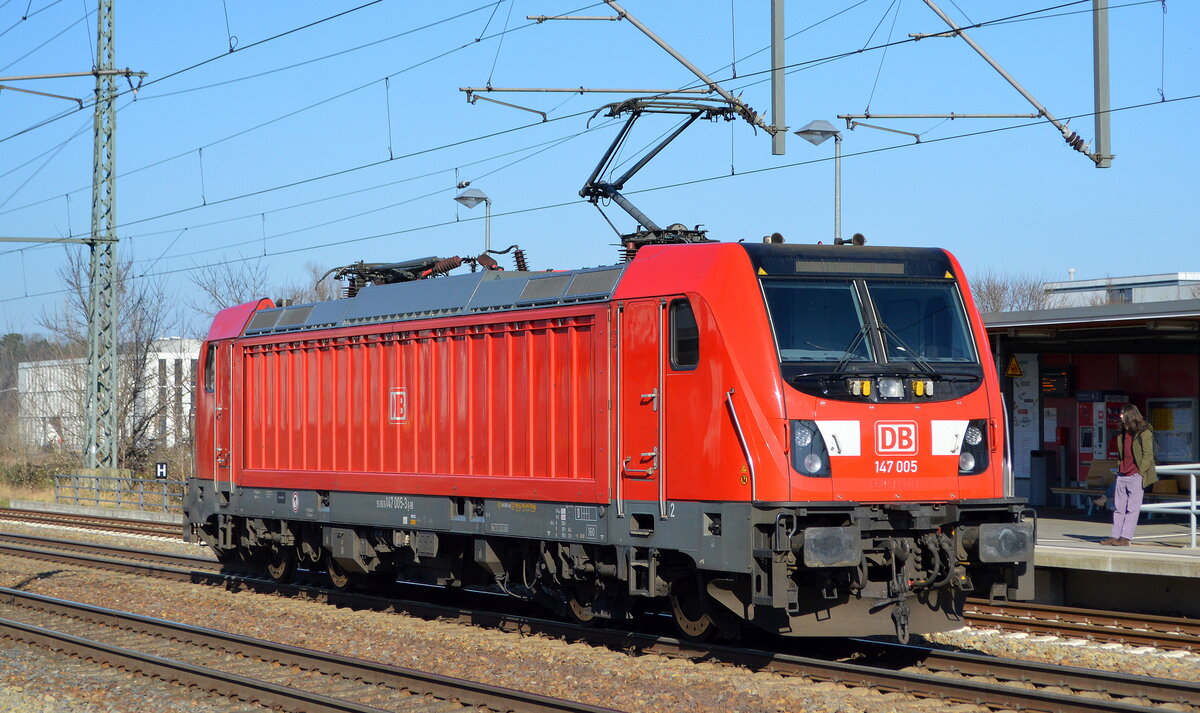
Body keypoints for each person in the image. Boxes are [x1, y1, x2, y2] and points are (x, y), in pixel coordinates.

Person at [1100, 404, 1158, 546]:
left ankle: (1125, 538)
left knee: (1132, 509)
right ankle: (1115, 536)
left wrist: (1140, 472)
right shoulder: (1121, 433)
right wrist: (1120, 468)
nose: (1120, 416)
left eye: (1122, 413)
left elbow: (1148, 455)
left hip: (1135, 475)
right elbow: (1121, 454)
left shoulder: (1144, 432)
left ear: (1129, 415)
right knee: (1118, 507)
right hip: (1122, 474)